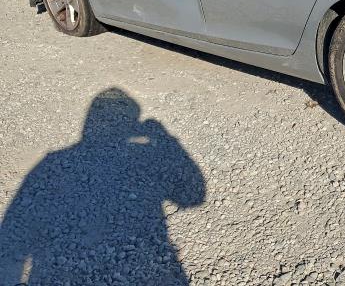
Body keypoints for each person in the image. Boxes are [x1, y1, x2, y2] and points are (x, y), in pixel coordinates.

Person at [0, 88, 205, 285]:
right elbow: (193, 196)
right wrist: (168, 140)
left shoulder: (52, 162)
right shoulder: (55, 161)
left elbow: (12, 231)